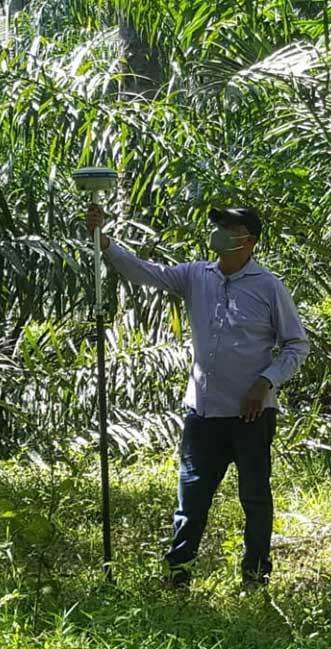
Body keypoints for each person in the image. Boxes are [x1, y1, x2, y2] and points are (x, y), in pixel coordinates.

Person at [86, 204, 310, 590]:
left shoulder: (268, 286)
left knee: (254, 497)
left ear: (249, 240)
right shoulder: (196, 276)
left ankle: (256, 576)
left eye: (229, 227)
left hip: (251, 415)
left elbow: (296, 344)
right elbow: (146, 273)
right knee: (191, 501)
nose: (220, 232)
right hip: (203, 412)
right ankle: (178, 575)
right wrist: (104, 242)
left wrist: (265, 382)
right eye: (218, 226)